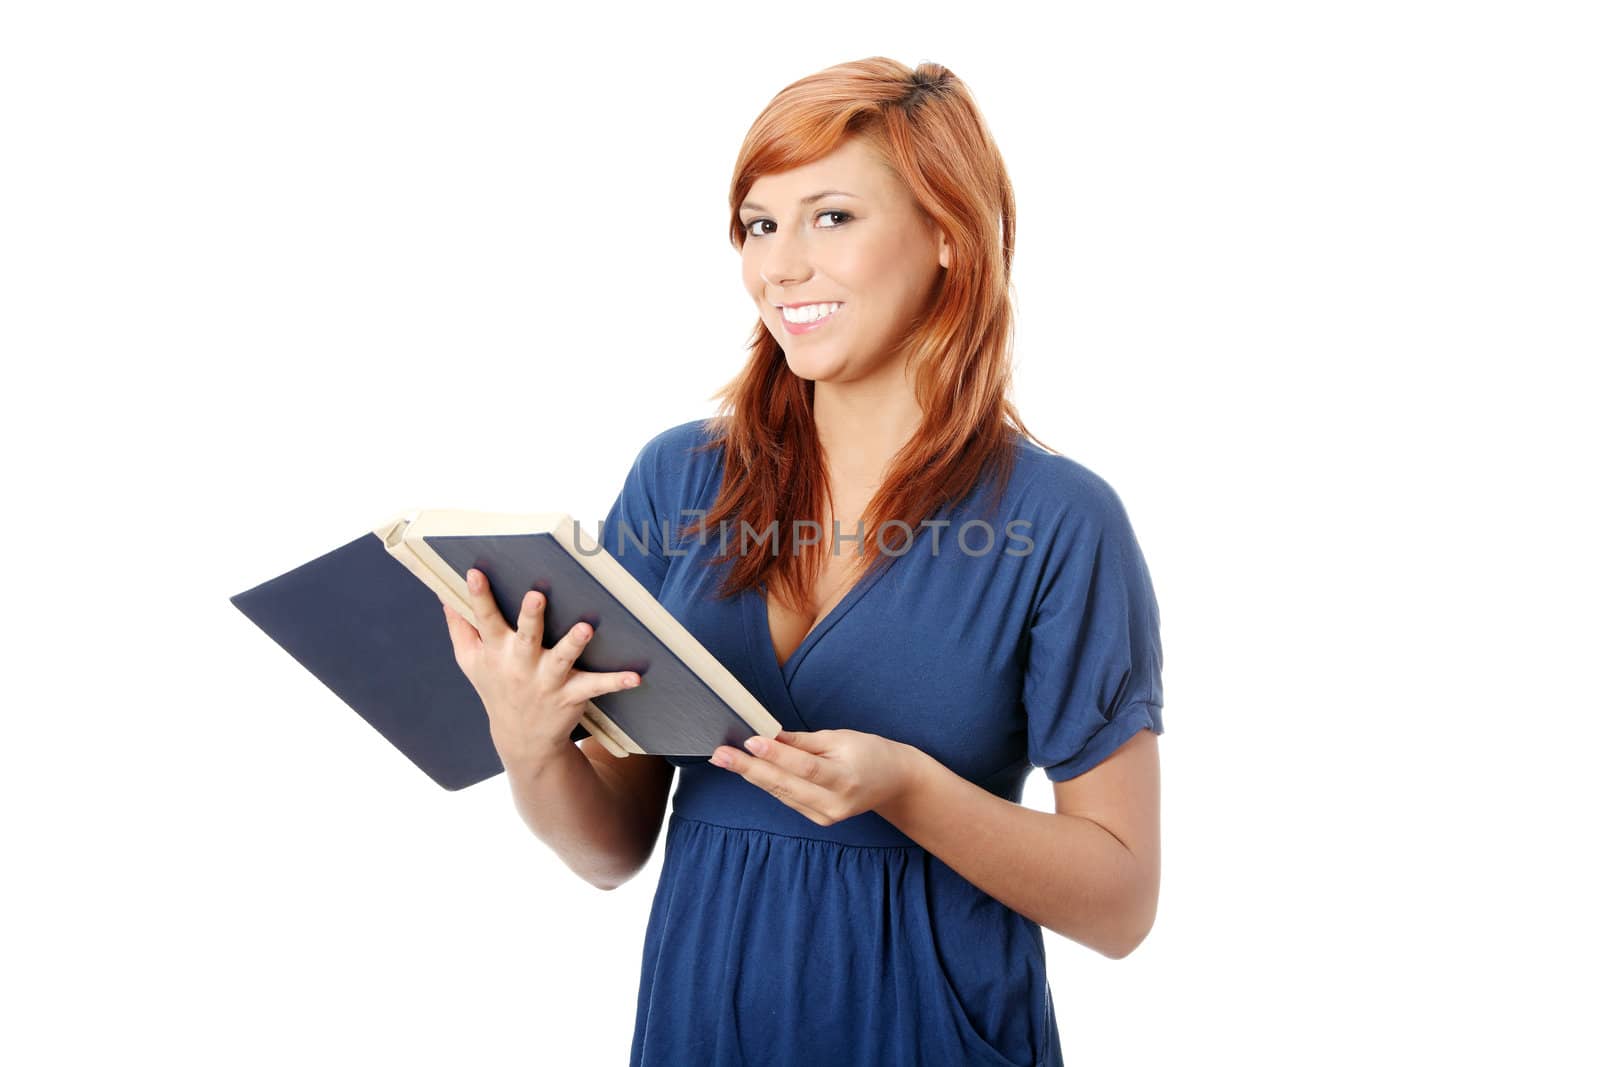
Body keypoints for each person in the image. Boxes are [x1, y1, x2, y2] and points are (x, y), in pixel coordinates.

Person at [442, 57, 1165, 1067]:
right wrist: (529, 741)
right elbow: (610, 846)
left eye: (831, 216)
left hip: (932, 1030)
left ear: (948, 236)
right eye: (757, 223)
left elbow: (1121, 902)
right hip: (703, 1022)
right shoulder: (678, 481)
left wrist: (910, 787)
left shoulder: (1057, 520)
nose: (780, 266)